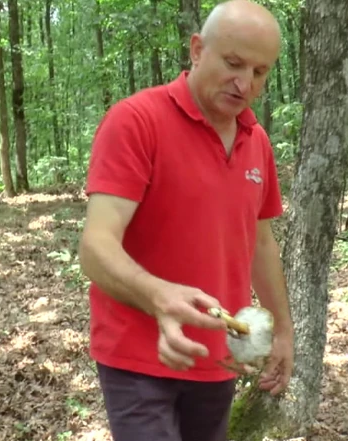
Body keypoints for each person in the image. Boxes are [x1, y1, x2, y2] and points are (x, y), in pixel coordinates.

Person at [77, 1, 294, 440]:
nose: (245, 83)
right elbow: (95, 248)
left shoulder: (256, 141)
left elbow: (260, 243)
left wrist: (284, 332)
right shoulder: (137, 121)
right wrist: (158, 296)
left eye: (259, 72)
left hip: (219, 356)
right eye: (233, 63)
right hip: (138, 356)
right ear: (197, 50)